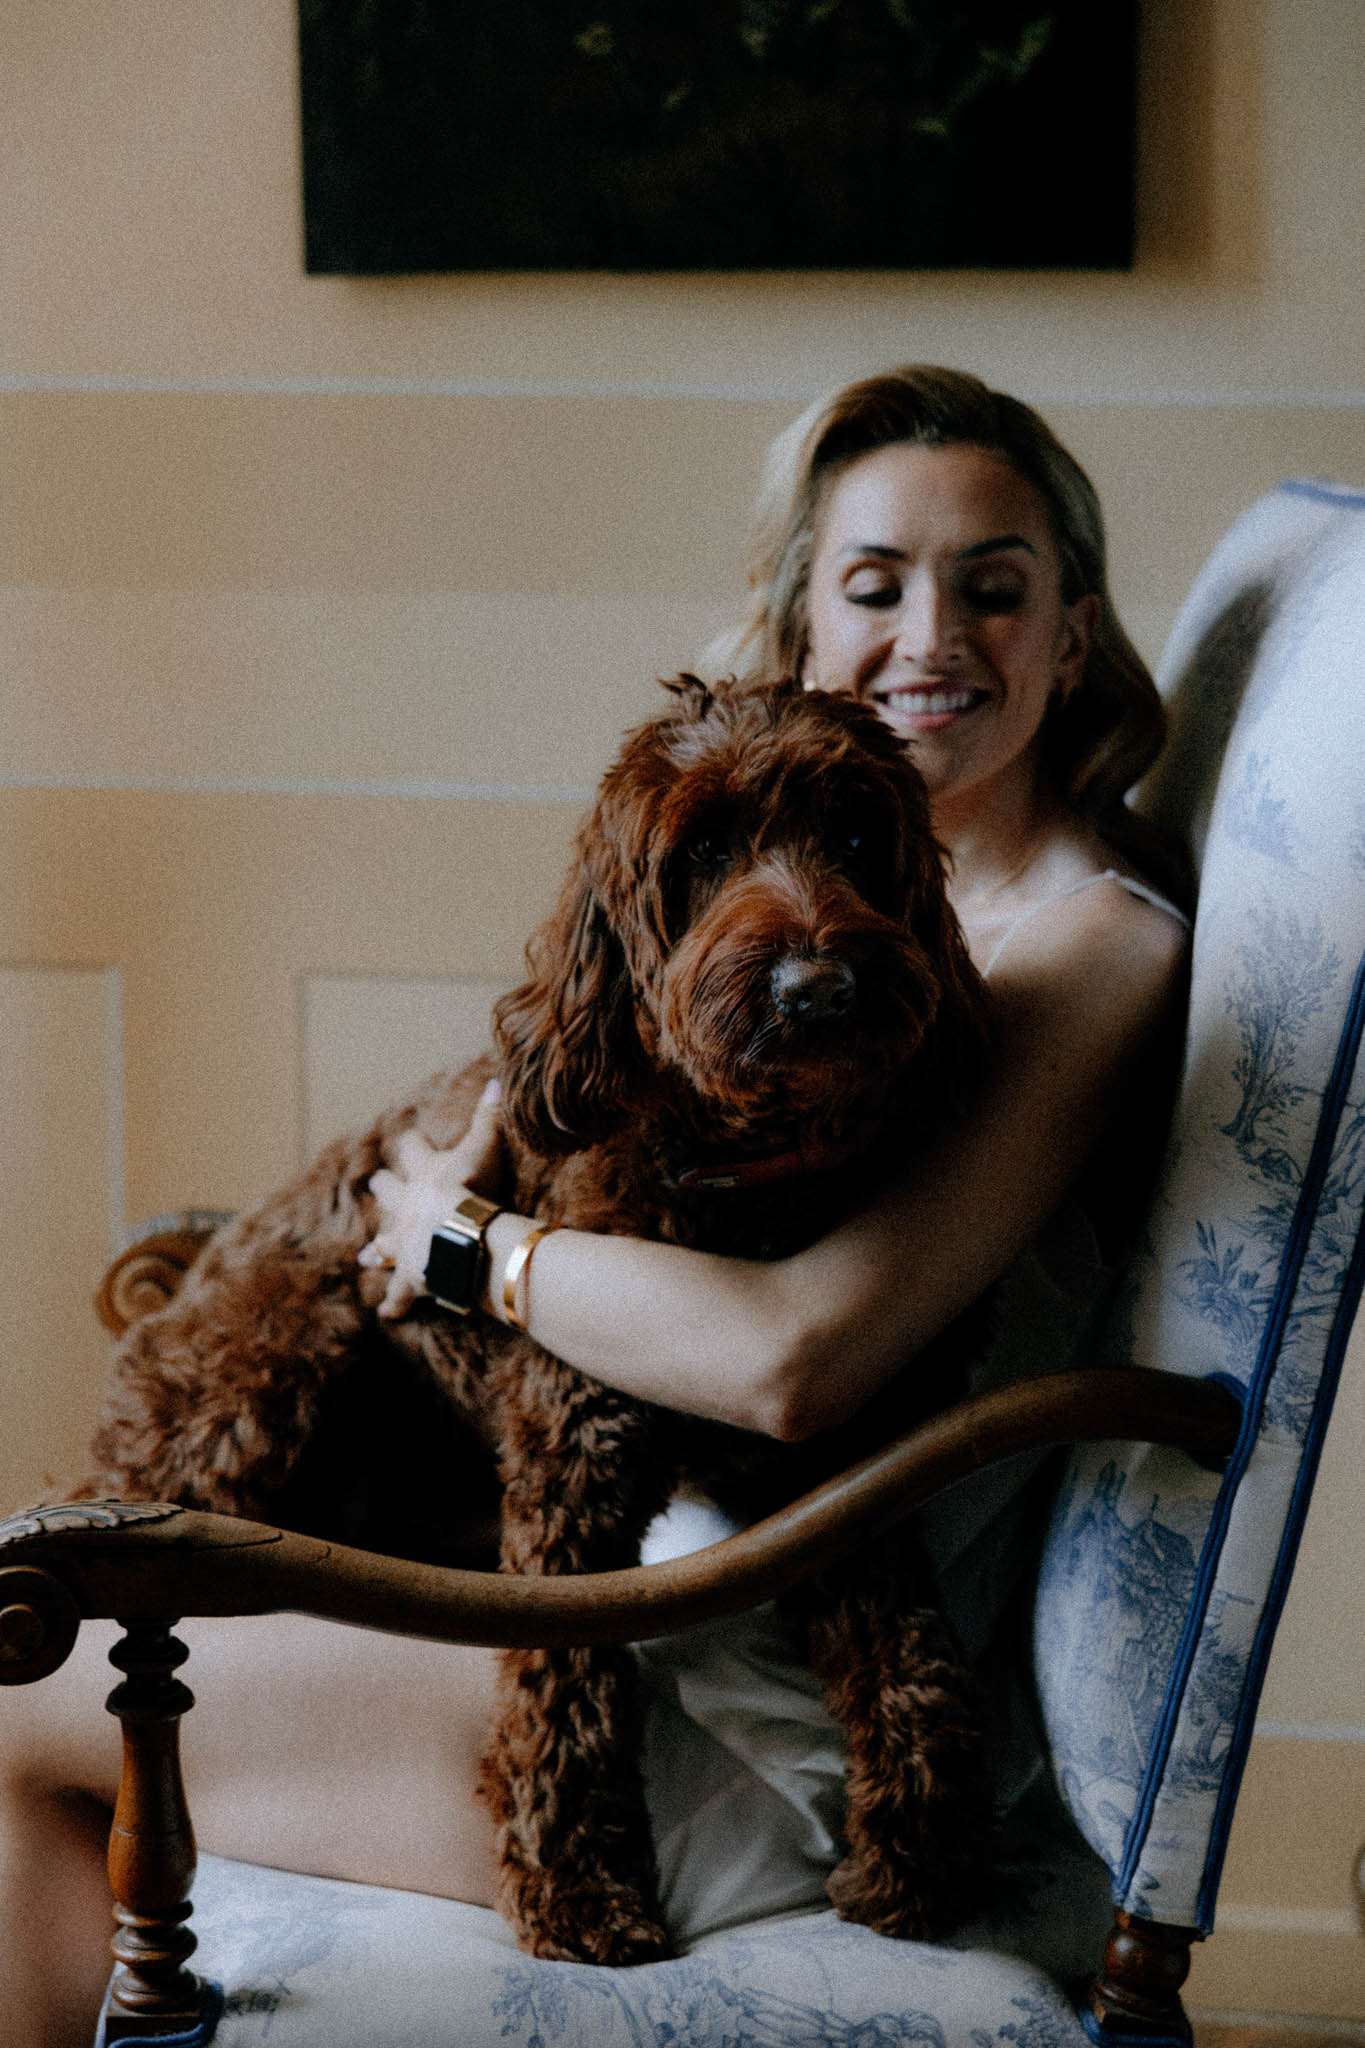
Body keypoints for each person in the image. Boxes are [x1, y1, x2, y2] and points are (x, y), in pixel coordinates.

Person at [0, 367, 1189, 2046]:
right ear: (797, 630)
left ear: (1071, 635)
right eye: (875, 587)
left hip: (746, 1707)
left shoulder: (1077, 946)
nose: (933, 634)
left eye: (993, 586)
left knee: (8, 1682)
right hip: (646, 1602)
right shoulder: (861, 910)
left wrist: (469, 1247)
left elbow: (795, 1360)